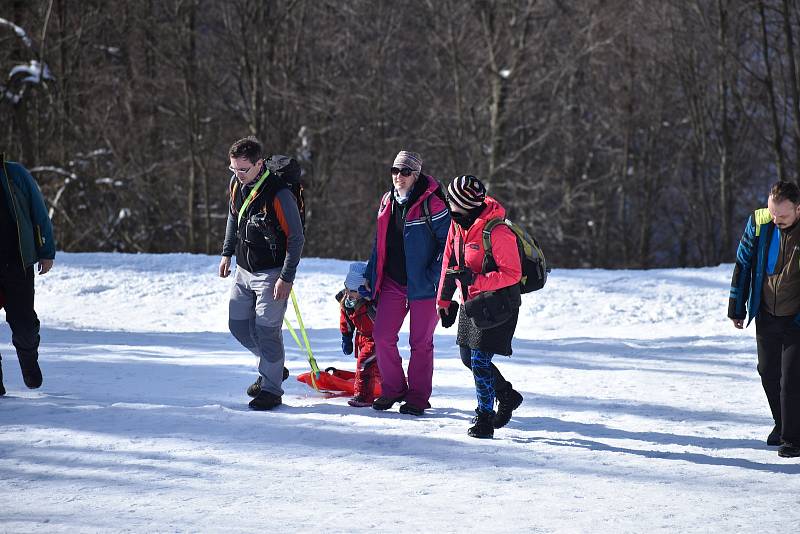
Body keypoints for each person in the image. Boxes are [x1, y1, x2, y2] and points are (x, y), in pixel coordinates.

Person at [218, 137, 304, 411]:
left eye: (243, 169)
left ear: (259, 164)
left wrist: (286, 277)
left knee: (267, 331)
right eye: (233, 169)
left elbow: (296, 238)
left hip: (272, 274)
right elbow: (234, 217)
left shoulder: (279, 194)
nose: (237, 175)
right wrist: (226, 252)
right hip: (243, 269)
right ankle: (274, 366)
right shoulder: (236, 185)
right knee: (239, 326)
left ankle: (271, 388)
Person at [364, 150, 450, 416]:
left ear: (416, 175)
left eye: (405, 172)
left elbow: (448, 245)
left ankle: (418, 397)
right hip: (393, 280)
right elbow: (380, 243)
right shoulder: (387, 200)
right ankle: (393, 389)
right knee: (382, 336)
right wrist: (370, 276)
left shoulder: (433, 204)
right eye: (394, 171)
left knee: (420, 343)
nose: (398, 177)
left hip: (424, 285)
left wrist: (432, 276)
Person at [437, 175, 523, 439]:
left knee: (479, 360)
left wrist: (476, 279)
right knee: (468, 358)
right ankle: (506, 395)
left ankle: (484, 418)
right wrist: (444, 300)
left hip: (497, 305)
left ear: (467, 206)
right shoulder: (457, 226)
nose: (449, 210)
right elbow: (449, 263)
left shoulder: (497, 232)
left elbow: (513, 274)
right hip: (470, 303)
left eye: (453, 205)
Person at [729, 180, 800, 458]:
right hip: (767, 313)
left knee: (791, 378)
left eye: (782, 216)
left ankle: (793, 438)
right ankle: (783, 424)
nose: (776, 220)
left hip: (796, 318)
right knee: (768, 372)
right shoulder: (759, 223)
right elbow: (743, 263)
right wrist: (737, 306)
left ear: (797, 209)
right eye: (773, 213)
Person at [0, 154, 55, 396]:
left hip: (16, 262)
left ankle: (29, 362)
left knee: (24, 326)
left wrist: (46, 250)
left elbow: (39, 212)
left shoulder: (15, 175)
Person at [336, 262, 381, 407]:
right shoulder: (346, 301)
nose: (349, 293)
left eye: (353, 291)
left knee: (365, 363)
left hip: (376, 339)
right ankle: (384, 384)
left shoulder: (372, 304)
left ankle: (364, 396)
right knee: (374, 366)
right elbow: (346, 320)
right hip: (361, 338)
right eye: (347, 288)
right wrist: (346, 338)